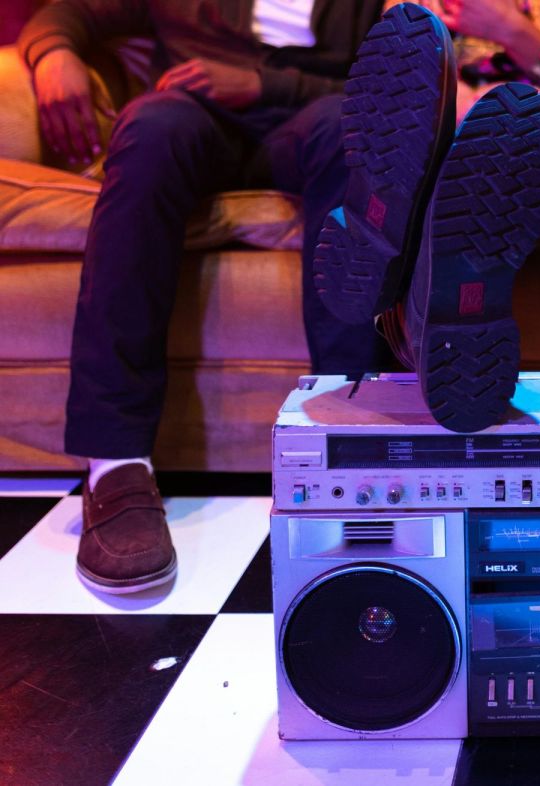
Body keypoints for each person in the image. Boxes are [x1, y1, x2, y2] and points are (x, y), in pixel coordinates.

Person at [19, 0, 410, 594]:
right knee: (150, 127)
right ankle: (115, 461)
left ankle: (347, 440)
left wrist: (264, 83)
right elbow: (66, 13)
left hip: (311, 118)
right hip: (196, 120)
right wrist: (54, 57)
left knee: (350, 127)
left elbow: (388, 83)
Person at [317, 0, 540, 432]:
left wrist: (518, 33)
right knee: (438, 124)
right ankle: (451, 283)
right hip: (445, 116)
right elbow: (398, 51)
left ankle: (404, 252)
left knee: (526, 115)